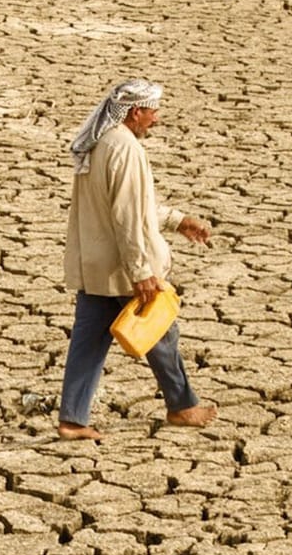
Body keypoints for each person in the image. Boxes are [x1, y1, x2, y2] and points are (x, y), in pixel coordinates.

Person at [56, 78, 216, 440]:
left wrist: (178, 221)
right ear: (135, 112)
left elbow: (133, 206)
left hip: (95, 265)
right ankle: (182, 406)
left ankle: (72, 420)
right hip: (121, 267)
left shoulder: (100, 142)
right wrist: (141, 271)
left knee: (87, 342)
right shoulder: (125, 149)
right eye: (152, 111)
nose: (156, 119)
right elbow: (127, 216)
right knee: (161, 332)